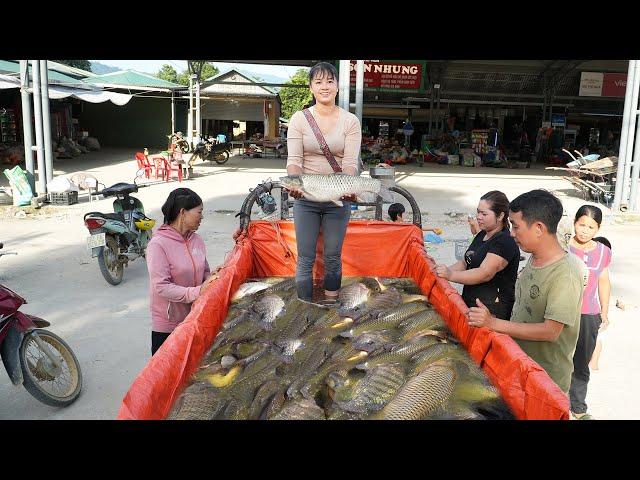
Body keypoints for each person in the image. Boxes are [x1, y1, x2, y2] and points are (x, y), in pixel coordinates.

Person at [467, 189, 584, 395]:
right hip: (520, 367)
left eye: (515, 226)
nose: (511, 233)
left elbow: (550, 331)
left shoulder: (566, 273)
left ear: (538, 228)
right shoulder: (534, 258)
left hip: (545, 383)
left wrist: (493, 323)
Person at [284, 62, 361, 304]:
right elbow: (294, 161)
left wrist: (348, 186)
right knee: (305, 258)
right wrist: (294, 183)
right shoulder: (299, 119)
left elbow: (350, 164)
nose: (324, 87)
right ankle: (304, 307)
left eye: (329, 81)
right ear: (310, 88)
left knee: (332, 256)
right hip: (306, 198)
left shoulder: (350, 121)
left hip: (337, 198)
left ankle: (330, 304)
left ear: (338, 86)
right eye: (318, 82)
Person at [146, 188, 218, 355]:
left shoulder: (197, 240)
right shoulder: (158, 245)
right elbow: (162, 287)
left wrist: (213, 277)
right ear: (183, 212)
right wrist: (198, 291)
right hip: (169, 327)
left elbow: (204, 272)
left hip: (195, 319)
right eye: (199, 212)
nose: (202, 216)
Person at [435, 191, 520, 320]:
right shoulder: (482, 234)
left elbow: (485, 273)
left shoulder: (504, 241)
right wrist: (441, 272)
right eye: (478, 212)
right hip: (471, 304)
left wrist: (451, 275)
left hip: (490, 311)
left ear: (501, 215)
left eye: (484, 214)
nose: (479, 217)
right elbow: (464, 262)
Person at [567, 207, 612, 420]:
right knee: (556, 357)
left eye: (591, 227)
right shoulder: (562, 246)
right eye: (581, 224)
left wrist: (605, 311)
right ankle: (553, 400)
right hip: (562, 311)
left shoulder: (603, 251)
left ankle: (577, 407)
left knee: (581, 362)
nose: (585, 231)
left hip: (588, 314)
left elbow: (603, 281)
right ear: (574, 222)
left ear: (598, 228)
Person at [589, 236, 611, 371]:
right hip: (597, 308)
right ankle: (594, 364)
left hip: (595, 308)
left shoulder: (599, 270)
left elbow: (603, 289)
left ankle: (594, 364)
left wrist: (604, 312)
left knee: (597, 337)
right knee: (597, 337)